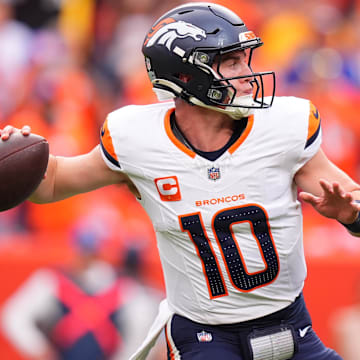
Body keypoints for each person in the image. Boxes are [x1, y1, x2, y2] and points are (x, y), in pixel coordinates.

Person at [1, 2, 360, 359]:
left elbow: (353, 200)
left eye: (245, 59)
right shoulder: (137, 138)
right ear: (186, 76)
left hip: (292, 326)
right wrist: (13, 159)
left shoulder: (283, 125)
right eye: (231, 62)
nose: (248, 73)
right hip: (205, 337)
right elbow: (51, 185)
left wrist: (350, 214)